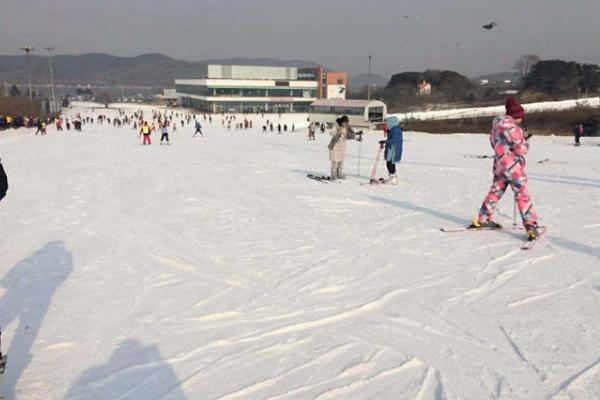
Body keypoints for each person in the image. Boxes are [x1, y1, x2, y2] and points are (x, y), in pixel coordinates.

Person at [471, 97, 540, 240]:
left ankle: (483, 218)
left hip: (499, 166)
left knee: (495, 192)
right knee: (522, 195)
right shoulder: (514, 128)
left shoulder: (495, 128)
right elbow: (521, 150)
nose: (521, 119)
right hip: (513, 168)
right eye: (520, 116)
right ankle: (530, 225)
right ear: (516, 115)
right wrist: (525, 140)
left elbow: (495, 144)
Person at [328, 115, 359, 180]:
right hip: (335, 146)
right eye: (344, 123)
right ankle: (333, 174)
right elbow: (331, 133)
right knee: (335, 161)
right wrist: (338, 134)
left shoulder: (346, 127)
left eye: (346, 123)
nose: (345, 124)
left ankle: (339, 173)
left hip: (342, 146)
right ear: (342, 121)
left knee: (341, 160)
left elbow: (349, 136)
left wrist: (356, 138)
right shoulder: (336, 126)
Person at [382, 116, 403, 185]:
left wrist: (386, 141)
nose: (387, 124)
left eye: (388, 123)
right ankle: (392, 177)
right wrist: (387, 131)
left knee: (390, 163)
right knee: (389, 163)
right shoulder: (393, 129)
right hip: (391, 148)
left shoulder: (396, 130)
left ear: (392, 122)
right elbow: (391, 137)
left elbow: (394, 140)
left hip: (394, 149)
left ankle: (393, 178)